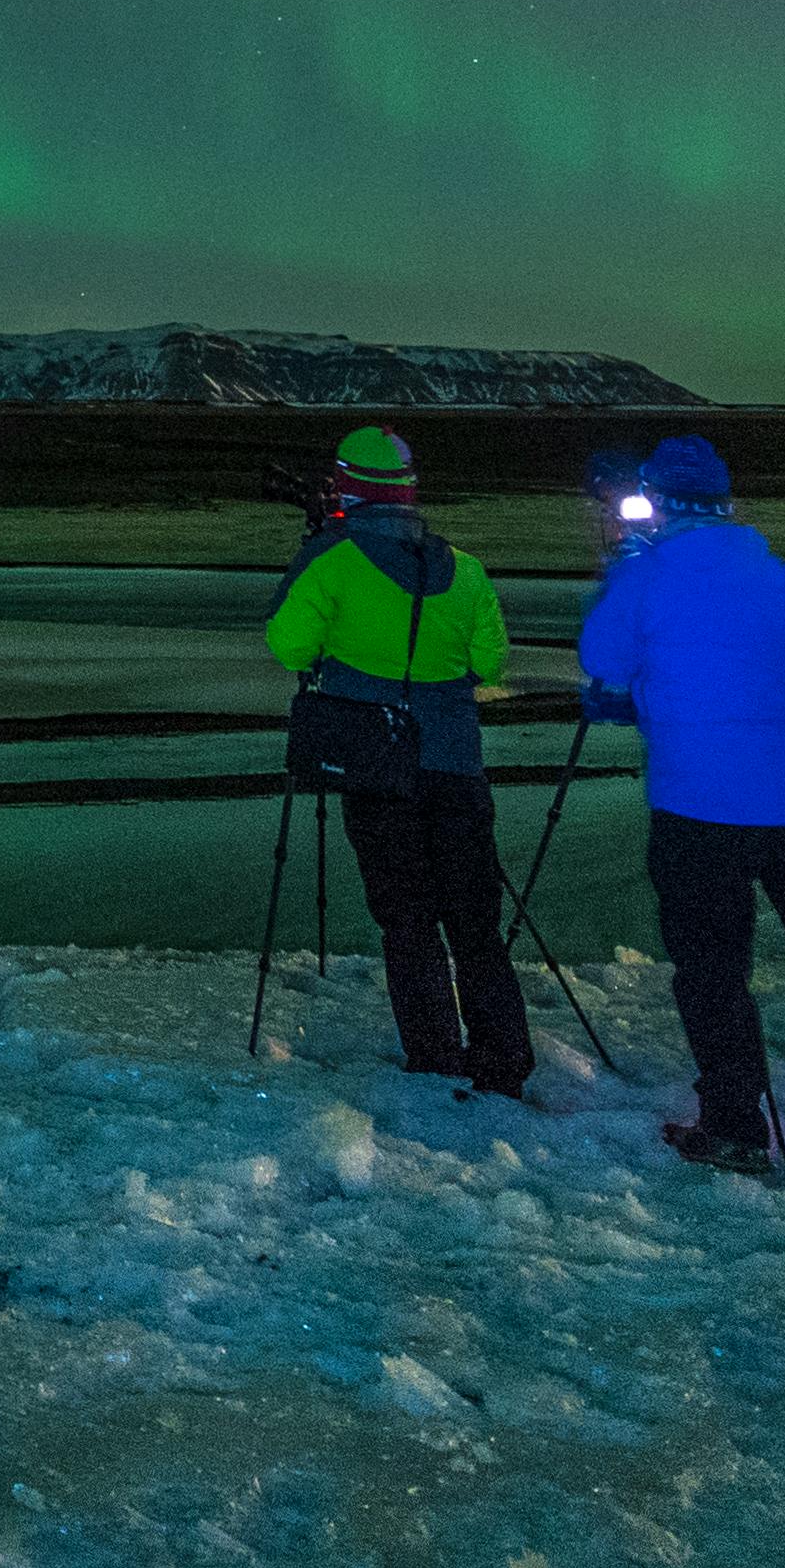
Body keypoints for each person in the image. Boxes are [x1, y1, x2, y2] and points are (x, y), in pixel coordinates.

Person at [573, 436, 785, 1171]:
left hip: (697, 802)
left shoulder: (647, 574)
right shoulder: (779, 579)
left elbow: (603, 660)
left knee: (711, 966)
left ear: (658, 500)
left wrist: (622, 577)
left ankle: (735, 1123)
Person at [259, 425, 532, 1098]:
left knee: (407, 916)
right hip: (456, 765)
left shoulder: (333, 557)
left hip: (377, 764)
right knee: (474, 919)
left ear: (348, 485)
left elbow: (289, 646)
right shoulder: (463, 568)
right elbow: (492, 662)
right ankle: (503, 1058)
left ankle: (435, 1054)